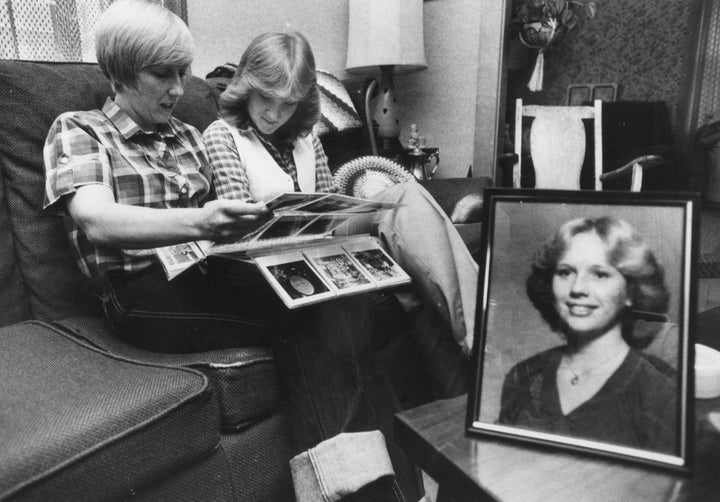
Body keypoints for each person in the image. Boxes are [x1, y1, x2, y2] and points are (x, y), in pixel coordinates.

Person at [42, 2, 421, 499]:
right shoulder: (80, 129)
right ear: (121, 70)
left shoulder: (186, 137)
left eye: (183, 72)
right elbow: (96, 220)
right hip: (139, 293)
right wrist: (201, 220)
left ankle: (399, 487)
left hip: (207, 274)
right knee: (311, 313)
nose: (180, 89)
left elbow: (224, 228)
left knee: (340, 300)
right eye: (163, 74)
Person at [202, 32, 479, 386]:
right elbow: (238, 230)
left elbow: (331, 205)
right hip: (267, 259)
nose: (274, 113)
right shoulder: (222, 135)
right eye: (265, 99)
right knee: (411, 281)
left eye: (287, 104)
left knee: (407, 195)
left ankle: (473, 358)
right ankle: (484, 344)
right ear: (246, 87)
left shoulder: (307, 139)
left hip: (323, 241)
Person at [498, 216, 677, 454]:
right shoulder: (523, 377)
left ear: (630, 292)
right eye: (565, 272)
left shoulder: (660, 397)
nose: (577, 288)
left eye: (599, 274)